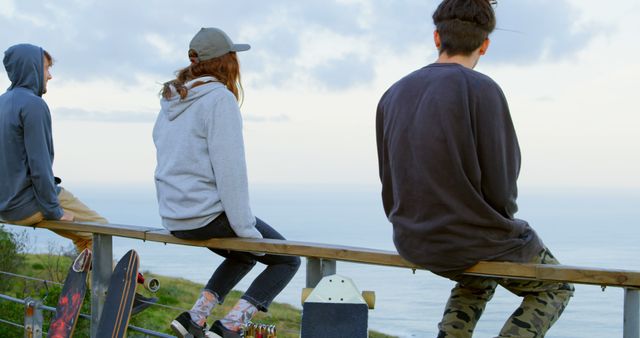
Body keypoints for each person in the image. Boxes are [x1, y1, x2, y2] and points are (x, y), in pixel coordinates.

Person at [375, 1, 574, 337]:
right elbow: (502, 186)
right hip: (469, 238)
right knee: (557, 287)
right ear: (485, 44)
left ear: (437, 38)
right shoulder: (483, 90)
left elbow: (388, 179)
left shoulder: (392, 93)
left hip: (411, 236)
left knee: (476, 278)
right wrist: (500, 221)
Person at [153, 27, 301, 338]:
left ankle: (195, 317)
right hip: (206, 215)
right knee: (287, 260)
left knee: (245, 255)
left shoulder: (171, 102)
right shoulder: (219, 99)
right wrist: (247, 232)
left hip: (176, 218)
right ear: (226, 61)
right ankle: (231, 326)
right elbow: (231, 172)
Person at [0, 43, 154, 315]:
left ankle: (116, 298)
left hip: (7, 206)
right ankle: (114, 302)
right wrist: (54, 211)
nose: (50, 76)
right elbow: (40, 166)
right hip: (31, 201)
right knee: (101, 230)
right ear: (32, 68)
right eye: (47, 68)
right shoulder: (34, 106)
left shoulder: (3, 103)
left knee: (85, 239)